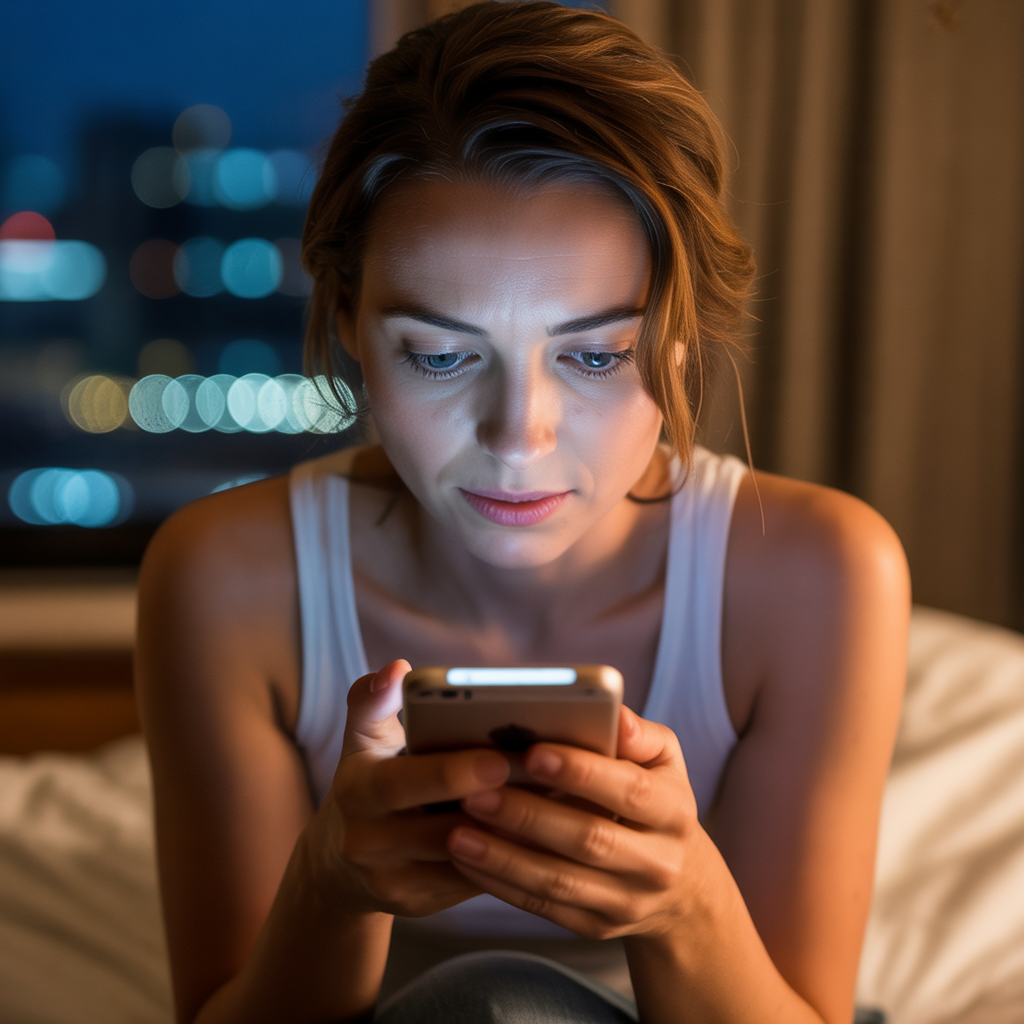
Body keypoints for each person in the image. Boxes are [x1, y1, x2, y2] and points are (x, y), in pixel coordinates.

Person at [136, 3, 909, 1023]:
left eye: (595, 354)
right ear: (352, 330)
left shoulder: (815, 573)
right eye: (442, 354)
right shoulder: (226, 578)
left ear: (680, 343)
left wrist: (684, 905)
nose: (517, 435)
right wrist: (330, 882)